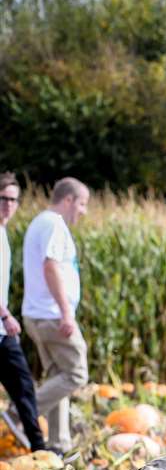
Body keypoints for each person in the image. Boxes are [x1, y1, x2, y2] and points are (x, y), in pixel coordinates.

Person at [22, 177, 91, 449]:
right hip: (51, 316)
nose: (83, 211)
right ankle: (21, 414)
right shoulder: (54, 224)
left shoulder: (40, 221)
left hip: (38, 314)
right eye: (82, 203)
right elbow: (50, 267)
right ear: (68, 200)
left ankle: (58, 445)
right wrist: (66, 313)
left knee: (58, 377)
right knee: (76, 374)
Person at [0, 175, 44, 452]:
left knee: (23, 386)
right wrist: (5, 314)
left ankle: (40, 450)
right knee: (22, 386)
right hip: (2, 323)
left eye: (13, 199)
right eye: (3, 198)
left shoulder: (4, 233)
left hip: (2, 332)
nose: (8, 204)